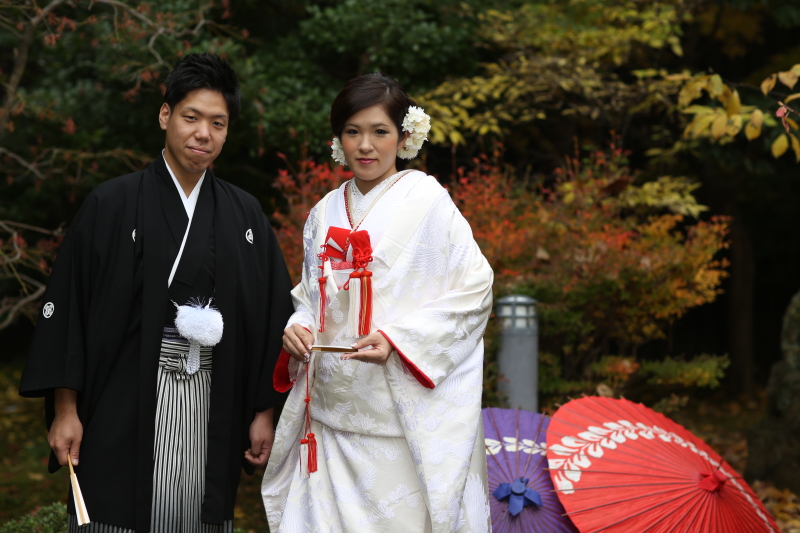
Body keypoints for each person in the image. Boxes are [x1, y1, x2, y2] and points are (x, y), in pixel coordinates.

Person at [19, 52, 294, 532]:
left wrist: (263, 412)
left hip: (213, 399)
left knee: (199, 512)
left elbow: (271, 317)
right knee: (113, 511)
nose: (203, 133)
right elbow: (71, 309)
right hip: (120, 398)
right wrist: (66, 410)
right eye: (191, 117)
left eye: (217, 123)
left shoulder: (245, 214)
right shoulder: (111, 203)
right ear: (165, 115)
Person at [261, 73, 494, 532]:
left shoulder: (429, 202)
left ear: (404, 138)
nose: (365, 145)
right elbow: (310, 295)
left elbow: (476, 288)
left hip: (397, 425)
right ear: (338, 139)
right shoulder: (323, 211)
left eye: (380, 131)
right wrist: (299, 324)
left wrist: (397, 339)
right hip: (329, 419)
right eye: (353, 132)